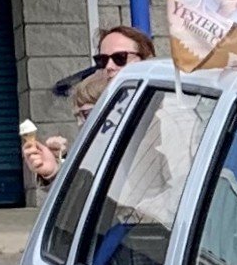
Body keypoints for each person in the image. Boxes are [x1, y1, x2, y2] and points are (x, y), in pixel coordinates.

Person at [24, 25, 156, 187]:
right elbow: (90, 188)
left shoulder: (166, 113)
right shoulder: (109, 124)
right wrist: (54, 172)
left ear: (146, 60)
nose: (109, 66)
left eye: (120, 58)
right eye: (102, 60)